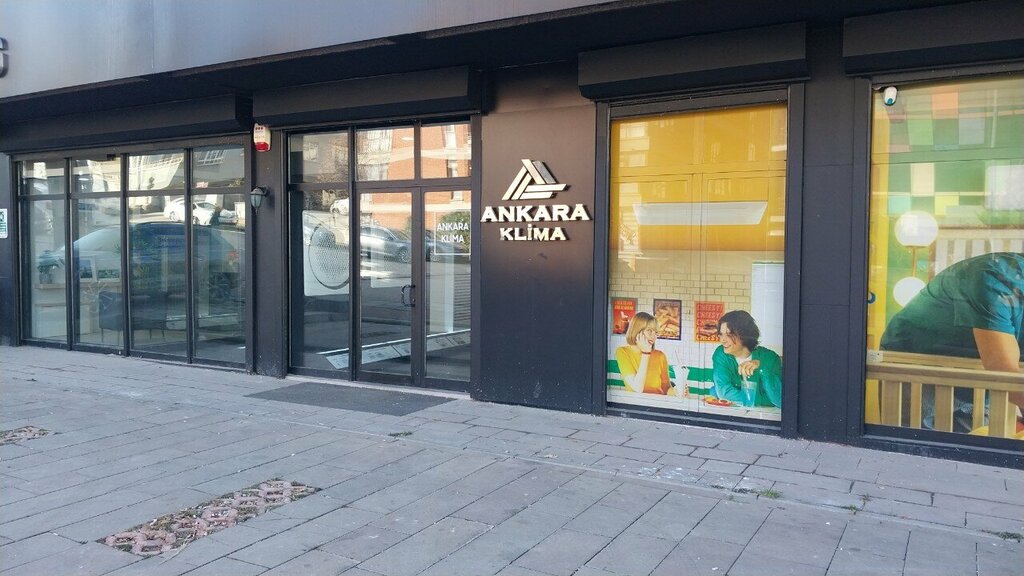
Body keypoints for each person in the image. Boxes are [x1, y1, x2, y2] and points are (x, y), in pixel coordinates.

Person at [880, 252, 1024, 432]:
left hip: (980, 368)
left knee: (982, 439)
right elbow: (1006, 377)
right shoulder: (995, 278)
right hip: (919, 360)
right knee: (921, 441)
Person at [711, 310, 782, 408]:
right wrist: (764, 400)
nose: (722, 340)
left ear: (744, 335)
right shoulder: (721, 355)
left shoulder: (770, 358)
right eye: (721, 334)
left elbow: (779, 400)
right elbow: (724, 393)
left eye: (729, 335)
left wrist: (762, 368)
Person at [615, 312, 672, 395]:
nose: (654, 336)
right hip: (636, 402)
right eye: (649, 331)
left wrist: (675, 392)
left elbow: (666, 388)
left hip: (657, 401)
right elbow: (638, 388)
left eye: (656, 332)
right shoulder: (622, 352)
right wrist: (645, 353)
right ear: (637, 331)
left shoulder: (660, 355)